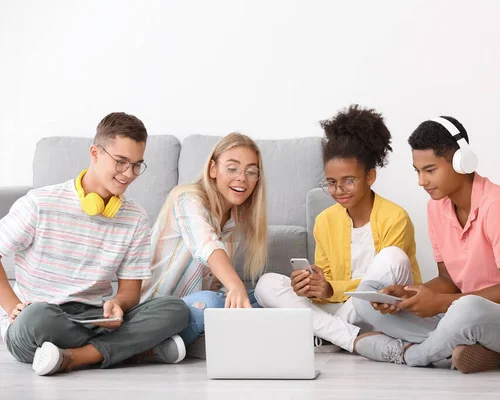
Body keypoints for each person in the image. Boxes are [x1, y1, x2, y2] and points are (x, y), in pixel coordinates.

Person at [353, 116, 500, 373]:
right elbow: (448, 280)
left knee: (467, 309)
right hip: (463, 315)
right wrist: (410, 294)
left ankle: (409, 353)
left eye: (430, 170)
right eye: (417, 171)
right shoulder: (436, 208)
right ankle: (463, 348)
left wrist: (442, 303)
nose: (421, 181)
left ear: (461, 162)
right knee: (367, 294)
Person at [0, 112, 189, 376]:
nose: (129, 174)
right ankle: (131, 351)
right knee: (36, 318)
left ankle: (75, 358)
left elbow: (130, 293)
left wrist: (118, 306)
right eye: (121, 162)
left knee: (176, 309)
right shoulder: (40, 204)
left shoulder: (135, 217)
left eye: (137, 165)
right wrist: (12, 305)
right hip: (42, 319)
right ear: (95, 153)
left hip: (95, 319)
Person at [254, 105, 422, 353]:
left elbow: (385, 289)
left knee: (393, 257)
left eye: (349, 181)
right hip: (342, 310)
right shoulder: (325, 220)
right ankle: (349, 338)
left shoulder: (395, 217)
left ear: (370, 177)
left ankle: (326, 333)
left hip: (384, 309)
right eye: (331, 183)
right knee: (266, 285)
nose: (338, 190)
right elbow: (328, 284)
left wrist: (332, 288)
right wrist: (315, 287)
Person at [141, 133, 267, 346]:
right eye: (232, 168)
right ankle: (153, 347)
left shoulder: (234, 222)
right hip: (158, 312)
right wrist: (235, 286)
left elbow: (212, 282)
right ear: (213, 169)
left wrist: (234, 294)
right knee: (212, 303)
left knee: (264, 294)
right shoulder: (186, 199)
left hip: (195, 306)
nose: (242, 178)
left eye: (251, 172)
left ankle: (192, 341)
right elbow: (206, 245)